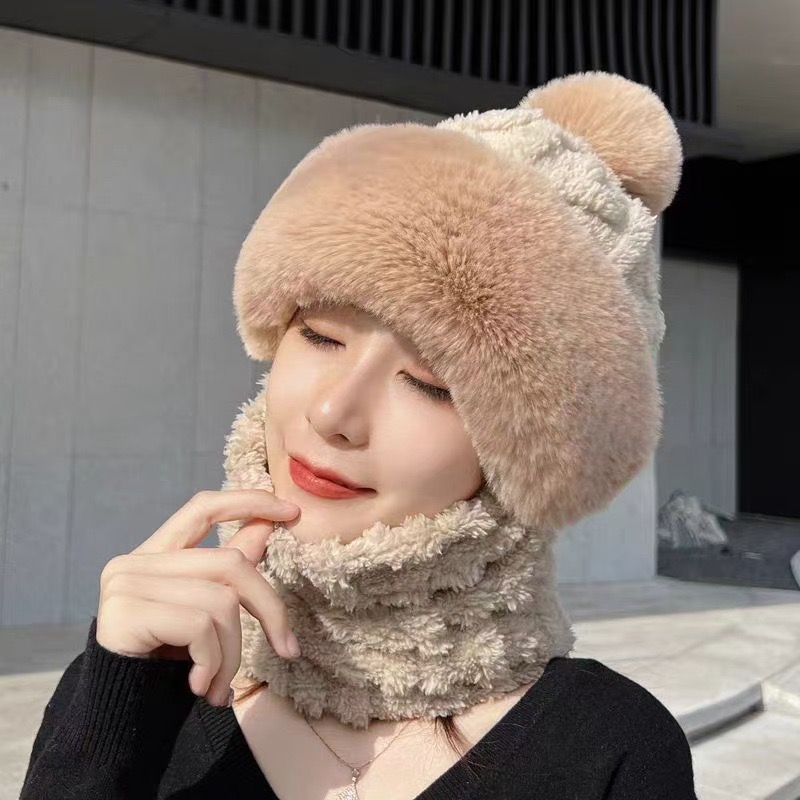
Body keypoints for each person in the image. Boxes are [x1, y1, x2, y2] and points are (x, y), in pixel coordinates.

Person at [20, 70, 697, 799]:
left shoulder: (608, 751)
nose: (333, 412)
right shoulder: (133, 688)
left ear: (525, 457)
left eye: (430, 384)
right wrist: (112, 708)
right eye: (320, 336)